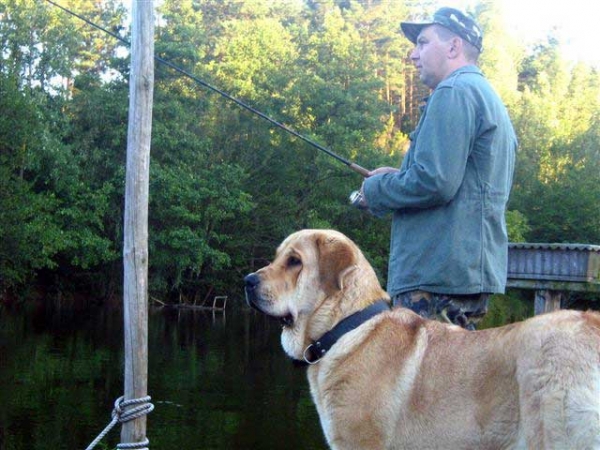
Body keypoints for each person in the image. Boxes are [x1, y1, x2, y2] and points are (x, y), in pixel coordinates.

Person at [354, 7, 517, 330]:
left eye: (423, 43)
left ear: (454, 47)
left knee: (424, 381)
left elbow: (435, 182)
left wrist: (375, 190)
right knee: (456, 378)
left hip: (435, 274)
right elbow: (458, 179)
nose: (413, 55)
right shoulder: (488, 97)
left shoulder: (452, 92)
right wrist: (397, 177)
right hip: (464, 272)